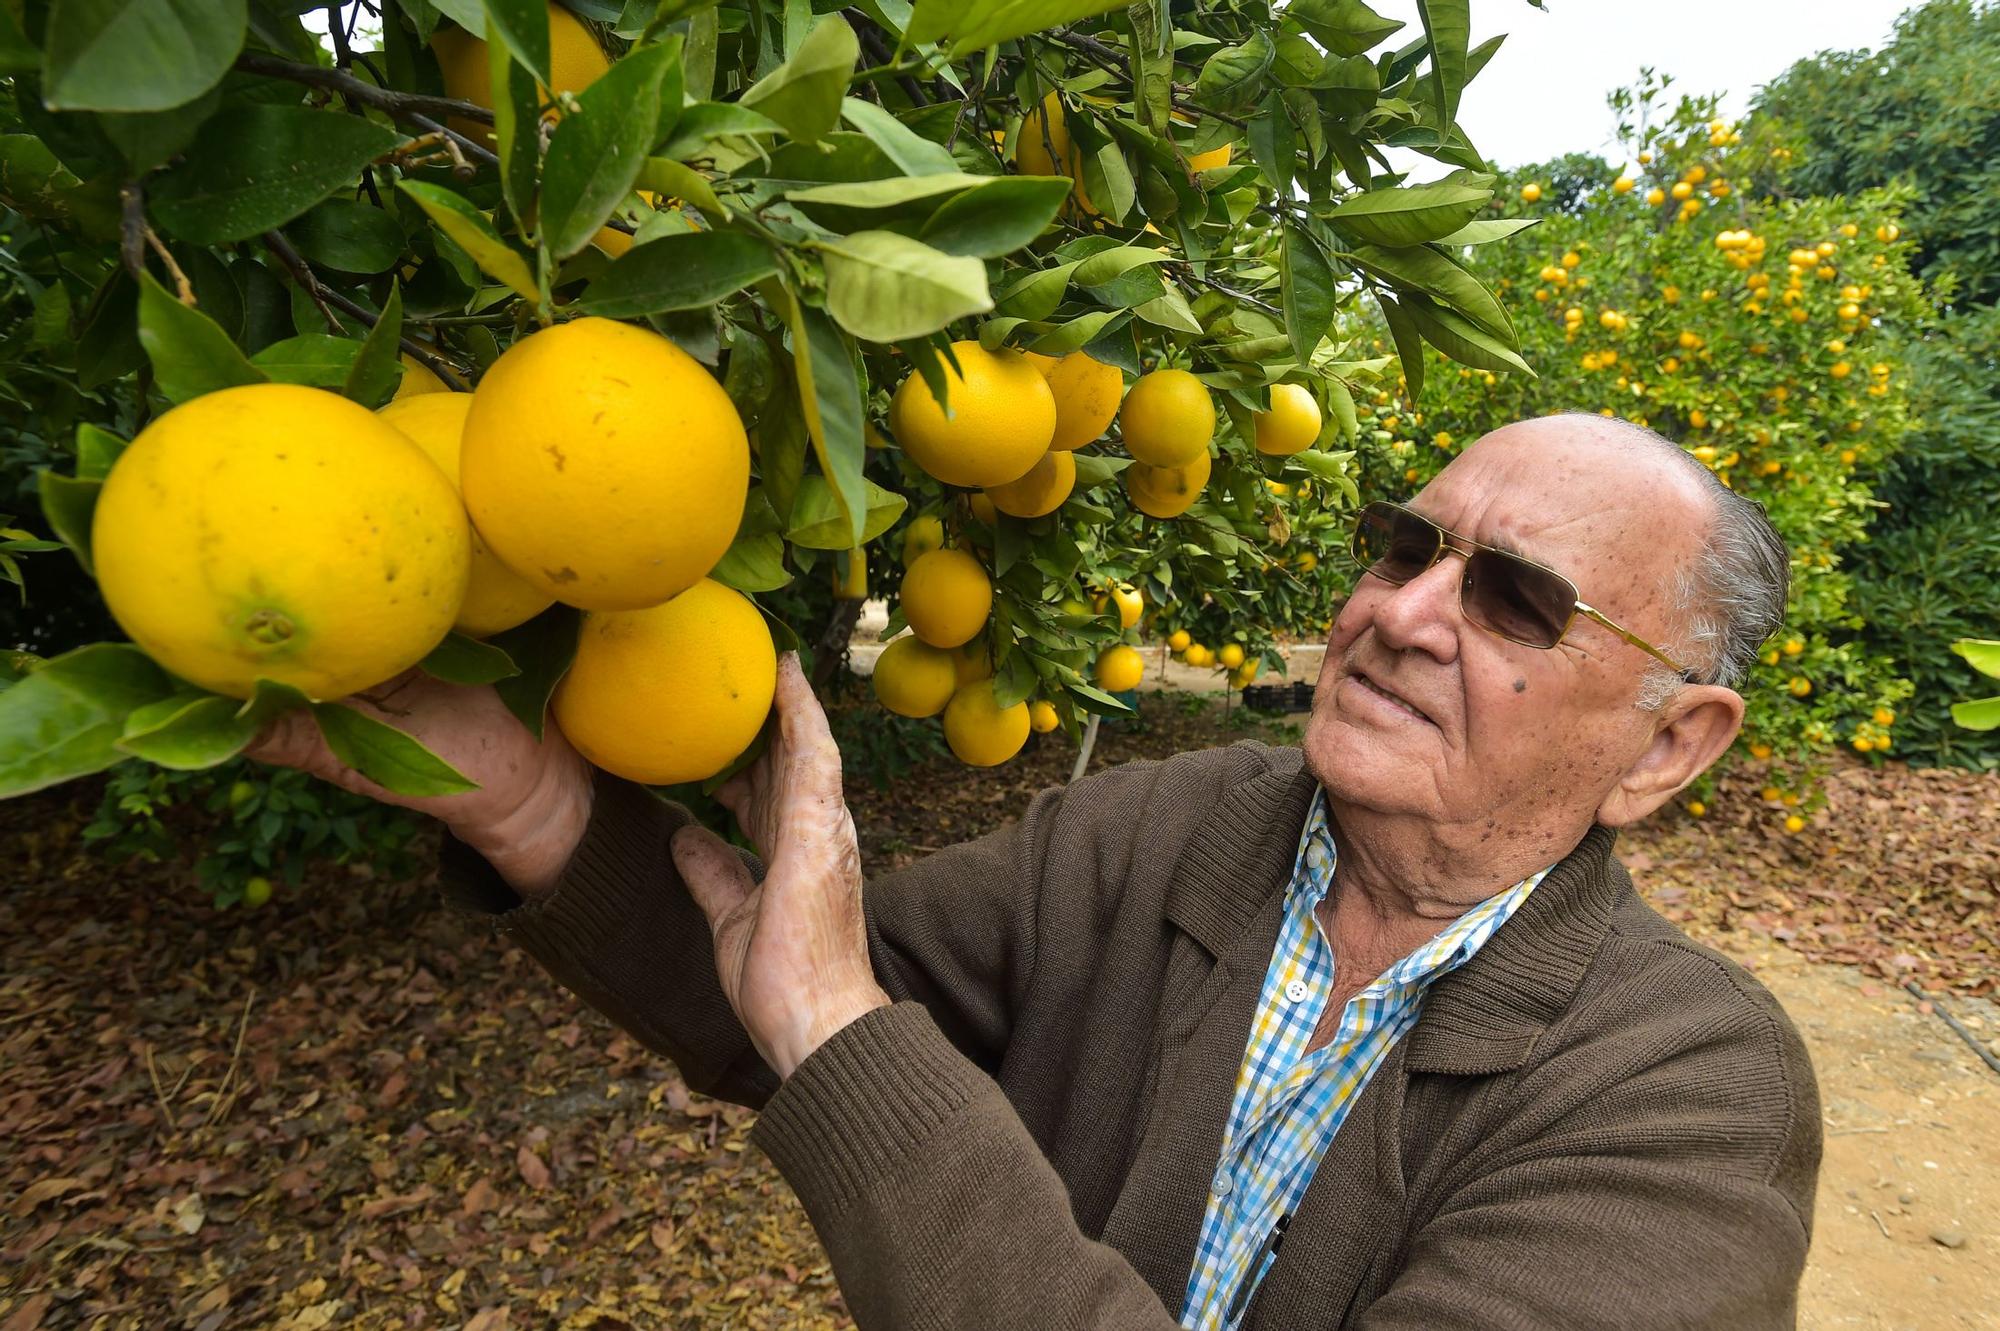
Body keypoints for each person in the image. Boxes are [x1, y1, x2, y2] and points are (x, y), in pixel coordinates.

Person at [252, 412, 1820, 1329]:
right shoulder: (1170, 830)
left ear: (1670, 745)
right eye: (1408, 549)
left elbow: (840, 1033)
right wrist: (532, 807)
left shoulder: (1688, 1094)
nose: (1404, 613)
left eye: (1521, 605)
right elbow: (774, 1003)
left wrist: (839, 1026)